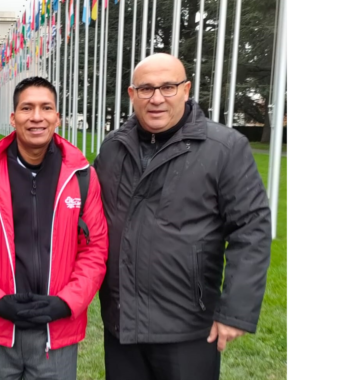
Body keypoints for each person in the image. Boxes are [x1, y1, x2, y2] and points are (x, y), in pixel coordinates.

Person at [94, 53, 273, 380]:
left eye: (168, 87)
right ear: (132, 94)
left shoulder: (224, 147)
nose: (157, 98)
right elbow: (85, 218)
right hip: (122, 324)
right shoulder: (112, 148)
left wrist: (236, 311)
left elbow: (252, 229)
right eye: (146, 89)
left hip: (188, 327)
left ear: (187, 90)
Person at [0, 77, 108, 380]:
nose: (36, 116)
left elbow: (95, 250)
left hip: (57, 330)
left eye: (45, 108)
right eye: (27, 108)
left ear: (57, 117)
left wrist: (66, 303)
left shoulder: (82, 176)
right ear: (13, 118)